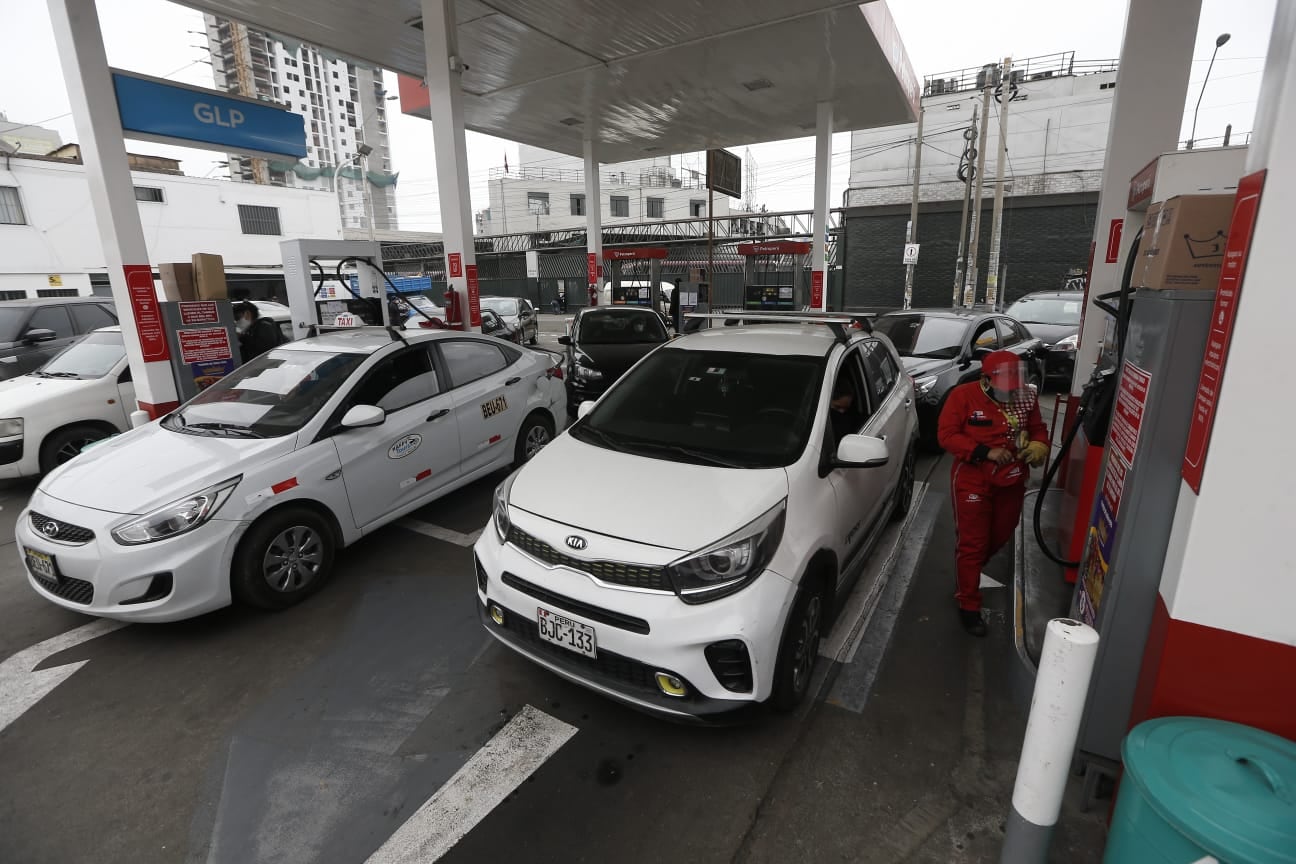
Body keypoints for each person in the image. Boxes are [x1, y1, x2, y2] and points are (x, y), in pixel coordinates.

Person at [937, 350, 1050, 637]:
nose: (1011, 394)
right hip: (973, 479)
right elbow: (947, 435)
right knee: (972, 544)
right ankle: (968, 603)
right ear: (986, 380)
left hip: (1012, 480)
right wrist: (984, 452)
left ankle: (968, 568)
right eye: (1005, 388)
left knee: (1000, 533)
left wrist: (1038, 446)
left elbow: (1038, 429)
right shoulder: (962, 396)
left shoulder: (1027, 396)